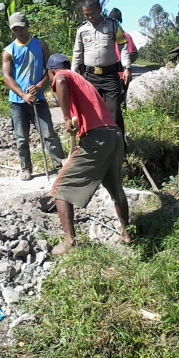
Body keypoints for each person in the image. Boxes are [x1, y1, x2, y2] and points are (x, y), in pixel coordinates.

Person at [46, 53, 131, 255]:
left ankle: (70, 242)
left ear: (51, 71)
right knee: (115, 188)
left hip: (98, 138)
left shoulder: (62, 75)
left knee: (60, 188)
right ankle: (126, 234)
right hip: (113, 134)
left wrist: (66, 117)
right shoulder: (82, 80)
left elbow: (60, 78)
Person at [2, 12, 65, 181]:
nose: (19, 32)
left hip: (38, 99)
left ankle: (60, 166)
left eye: (21, 28)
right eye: (15, 29)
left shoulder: (40, 45)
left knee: (48, 134)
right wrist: (22, 94)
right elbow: (7, 77)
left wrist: (39, 86)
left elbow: (50, 70)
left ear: (27, 26)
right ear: (12, 30)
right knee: (21, 137)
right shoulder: (8, 51)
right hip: (18, 101)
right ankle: (26, 168)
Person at [71, 0, 132, 138]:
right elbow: (77, 53)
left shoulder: (113, 25)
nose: (90, 17)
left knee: (114, 112)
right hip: (90, 77)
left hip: (110, 76)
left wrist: (127, 67)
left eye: (92, 13)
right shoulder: (81, 30)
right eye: (86, 14)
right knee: (92, 113)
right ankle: (98, 146)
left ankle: (119, 147)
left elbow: (123, 47)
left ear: (100, 9)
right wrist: (74, 75)